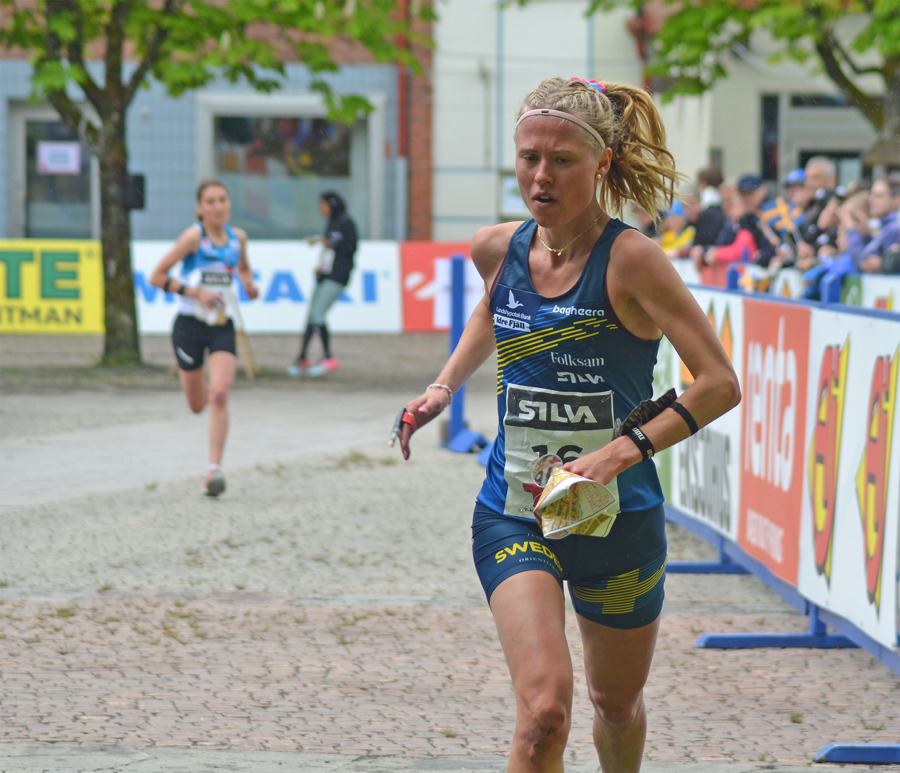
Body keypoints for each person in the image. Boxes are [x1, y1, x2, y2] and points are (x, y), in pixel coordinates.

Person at [393, 76, 741, 772]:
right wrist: (443, 384)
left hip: (614, 519)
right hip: (516, 512)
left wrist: (621, 451)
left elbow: (721, 384)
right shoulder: (498, 247)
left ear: (603, 162)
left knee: (615, 704)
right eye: (528, 158)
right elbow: (496, 310)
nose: (540, 176)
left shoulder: (634, 260)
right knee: (545, 709)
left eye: (562, 160)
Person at [150, 179, 259, 497]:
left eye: (222, 200)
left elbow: (244, 270)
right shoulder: (193, 238)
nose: (218, 207)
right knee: (198, 405)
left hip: (222, 325)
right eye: (210, 202)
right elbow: (156, 276)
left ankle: (214, 470)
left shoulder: (238, 238)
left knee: (221, 394)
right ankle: (205, 396)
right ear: (200, 208)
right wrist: (196, 292)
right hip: (190, 325)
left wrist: (249, 286)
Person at [288, 191, 358, 377]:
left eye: (323, 205)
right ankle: (302, 356)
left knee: (317, 315)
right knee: (312, 317)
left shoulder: (345, 223)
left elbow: (349, 247)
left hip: (337, 277)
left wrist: (327, 242)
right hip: (327, 275)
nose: (321, 210)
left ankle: (328, 357)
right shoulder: (332, 223)